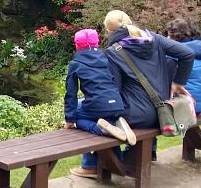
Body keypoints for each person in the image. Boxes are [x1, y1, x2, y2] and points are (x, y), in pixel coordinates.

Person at [70, 10, 194, 178]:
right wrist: (178, 83)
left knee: (81, 107)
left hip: (136, 116)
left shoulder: (113, 52)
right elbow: (187, 54)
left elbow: (115, 92)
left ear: (109, 31)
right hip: (163, 111)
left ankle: (92, 165)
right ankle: (147, 154)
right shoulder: (154, 38)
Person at [64, 28, 136, 143]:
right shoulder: (107, 57)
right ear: (97, 42)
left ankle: (100, 129)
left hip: (96, 106)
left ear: (77, 45)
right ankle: (116, 123)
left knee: (78, 116)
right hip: (117, 105)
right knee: (101, 112)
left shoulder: (76, 64)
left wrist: (69, 120)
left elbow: (71, 94)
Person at [165, 18, 201, 114]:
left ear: (176, 35)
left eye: (169, 35)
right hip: (200, 106)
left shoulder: (175, 54)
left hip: (181, 108)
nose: (167, 38)